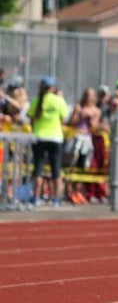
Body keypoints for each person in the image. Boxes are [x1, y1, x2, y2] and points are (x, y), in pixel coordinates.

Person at [27, 76, 69, 207]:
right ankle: (56, 199)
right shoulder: (59, 100)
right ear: (53, 88)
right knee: (56, 169)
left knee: (38, 168)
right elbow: (64, 118)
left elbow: (31, 118)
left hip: (39, 137)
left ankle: (36, 197)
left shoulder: (36, 100)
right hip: (55, 137)